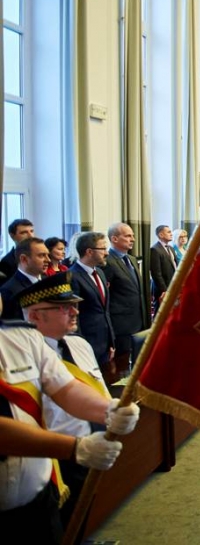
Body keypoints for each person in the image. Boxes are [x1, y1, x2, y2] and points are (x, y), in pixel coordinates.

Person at [0, 296, 140, 543]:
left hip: (39, 499)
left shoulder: (21, 337)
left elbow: (65, 388)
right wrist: (75, 448)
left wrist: (108, 409)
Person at [18, 273, 111, 528]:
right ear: (34, 315)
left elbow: (99, 389)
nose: (75, 312)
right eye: (63, 308)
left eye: (74, 305)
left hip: (95, 448)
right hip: (60, 460)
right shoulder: (23, 357)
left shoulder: (79, 344)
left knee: (89, 520)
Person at [105, 223, 150, 363]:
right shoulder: (107, 262)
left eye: (133, 236)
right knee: (122, 364)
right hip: (121, 325)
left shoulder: (132, 259)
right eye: (128, 236)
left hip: (139, 321)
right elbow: (106, 296)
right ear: (114, 239)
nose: (133, 239)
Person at [68, 232, 116, 364]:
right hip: (87, 344)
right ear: (89, 252)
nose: (107, 253)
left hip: (104, 343)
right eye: (103, 249)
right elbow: (74, 315)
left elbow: (104, 311)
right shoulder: (72, 276)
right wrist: (79, 347)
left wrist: (111, 341)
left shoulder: (99, 272)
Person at [1, 237, 50, 321]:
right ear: (24, 259)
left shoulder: (48, 281)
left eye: (47, 255)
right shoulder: (9, 291)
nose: (48, 260)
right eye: (41, 255)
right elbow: (14, 326)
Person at [149, 225, 176, 306]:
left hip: (172, 285)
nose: (171, 234)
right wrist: (164, 290)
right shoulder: (155, 249)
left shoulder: (171, 248)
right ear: (161, 235)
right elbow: (156, 273)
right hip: (163, 289)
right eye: (168, 232)